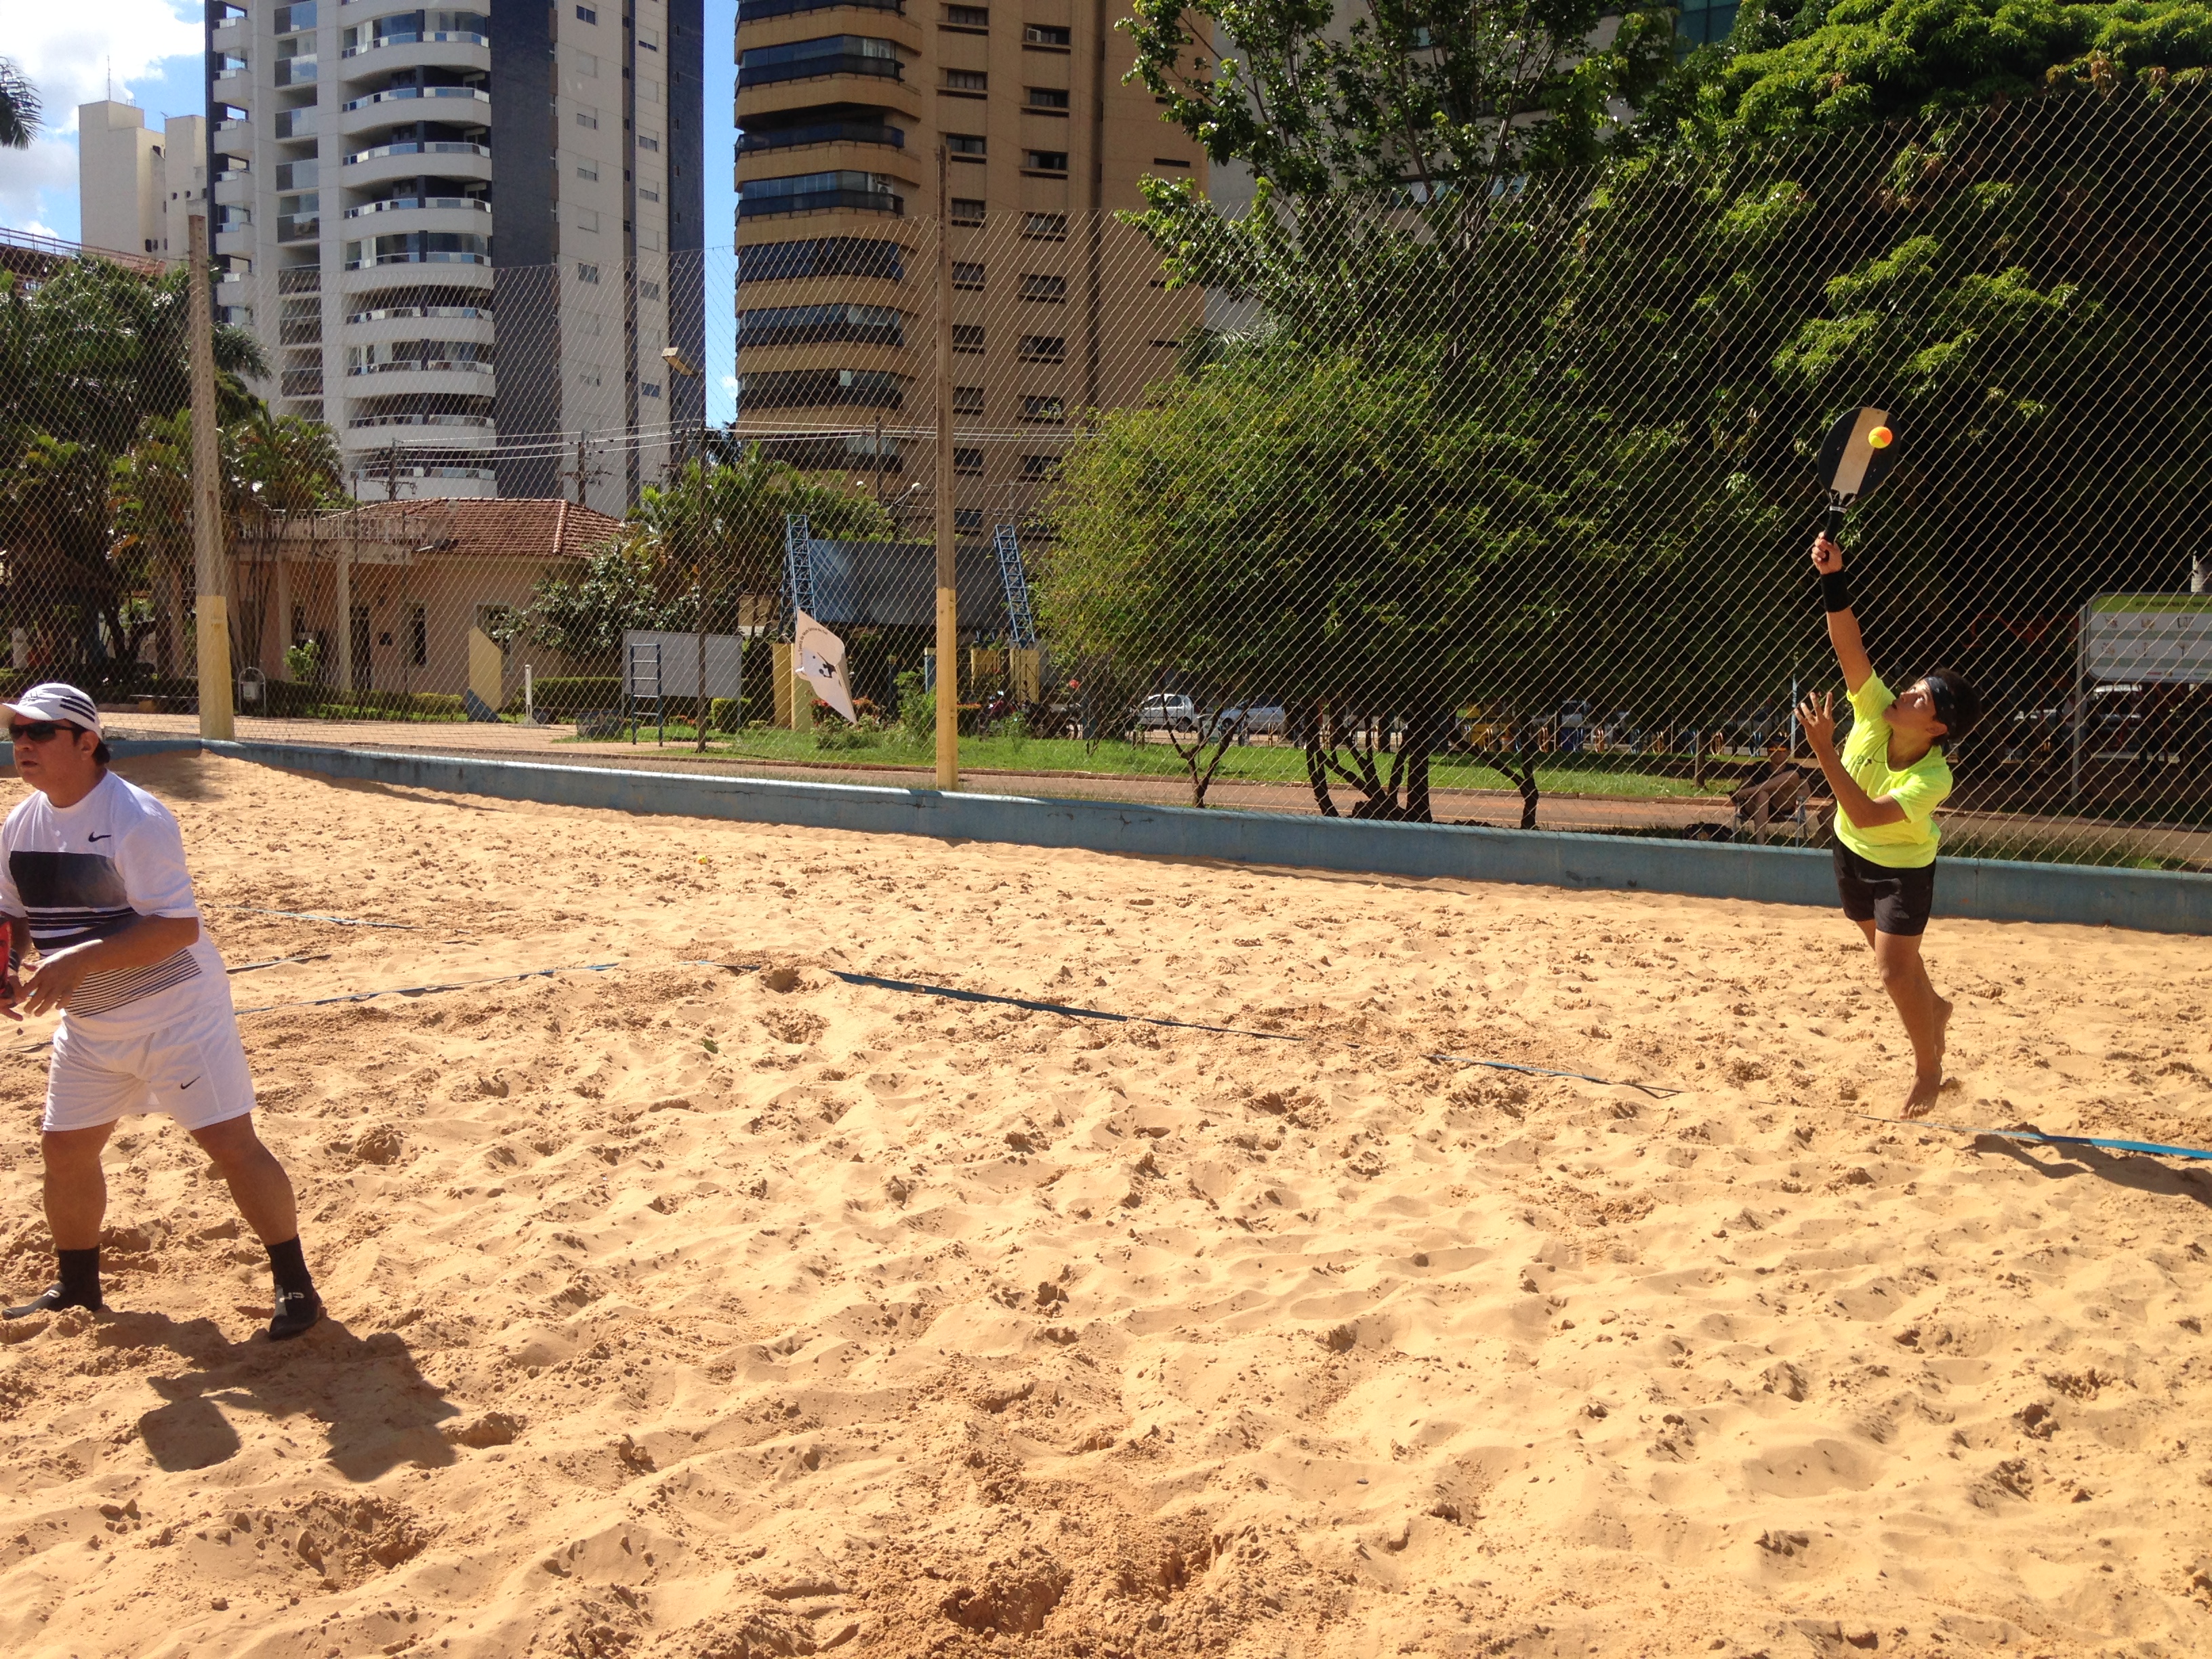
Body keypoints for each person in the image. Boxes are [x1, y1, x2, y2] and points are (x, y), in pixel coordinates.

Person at [0, 684, 321, 1339]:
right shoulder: (20, 824)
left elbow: (176, 928)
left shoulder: (137, 818)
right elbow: (12, 915)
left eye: (39, 731)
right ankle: (78, 1288)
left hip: (178, 1015)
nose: (23, 744)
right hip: (91, 1023)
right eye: (16, 732)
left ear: (86, 742)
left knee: (231, 1145)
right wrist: (5, 965)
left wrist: (80, 960)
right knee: (64, 1151)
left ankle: (297, 1287)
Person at [1795, 537, 1982, 1118]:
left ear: (1939, 729)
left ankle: (1929, 1071)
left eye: (1921, 698)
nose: (1906, 692)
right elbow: (1848, 643)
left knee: (1893, 970)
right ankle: (1938, 1010)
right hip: (1851, 855)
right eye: (1914, 686)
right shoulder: (1874, 709)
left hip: (1902, 871)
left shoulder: (1935, 778)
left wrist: (1824, 751)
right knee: (1903, 969)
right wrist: (1834, 575)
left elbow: (1869, 812)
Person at [1731, 735, 1809, 839]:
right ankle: (1760, 846)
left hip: (1781, 804)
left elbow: (1806, 791)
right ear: (1768, 753)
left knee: (1793, 775)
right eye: (1772, 749)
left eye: (1781, 748)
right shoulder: (1759, 767)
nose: (1776, 751)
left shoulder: (1795, 768)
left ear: (1788, 752)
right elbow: (1741, 788)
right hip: (1756, 805)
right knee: (1763, 794)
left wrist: (1788, 791)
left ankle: (1753, 790)